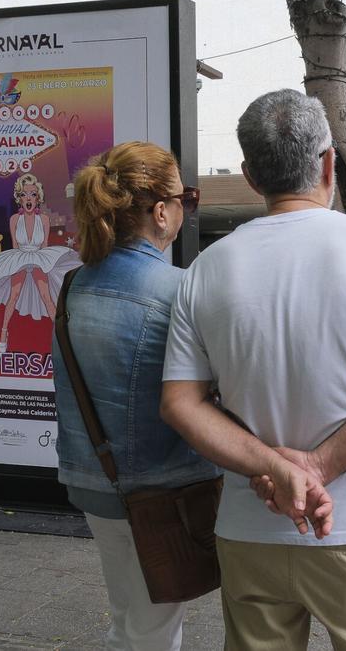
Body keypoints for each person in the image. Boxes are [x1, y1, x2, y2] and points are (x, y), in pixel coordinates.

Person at [160, 89, 346, 650]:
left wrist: (279, 470)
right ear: (329, 162)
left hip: (248, 530)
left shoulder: (206, 269)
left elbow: (181, 403)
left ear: (250, 176)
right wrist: (316, 467)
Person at [51, 142, 217, 650]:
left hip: (94, 482)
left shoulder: (73, 286)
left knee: (129, 613)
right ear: (162, 211)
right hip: (163, 494)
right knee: (153, 630)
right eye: (184, 198)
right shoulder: (181, 289)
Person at [0, 172, 82, 352]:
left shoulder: (44, 219)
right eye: (24, 194)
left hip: (38, 258)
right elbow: (15, 245)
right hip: (20, 257)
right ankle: (4, 333)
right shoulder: (14, 220)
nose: (28, 198)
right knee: (13, 296)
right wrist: (16, 264)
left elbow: (44, 245)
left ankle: (61, 337)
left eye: (33, 194)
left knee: (47, 297)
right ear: (19, 198)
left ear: (38, 198)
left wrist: (43, 264)